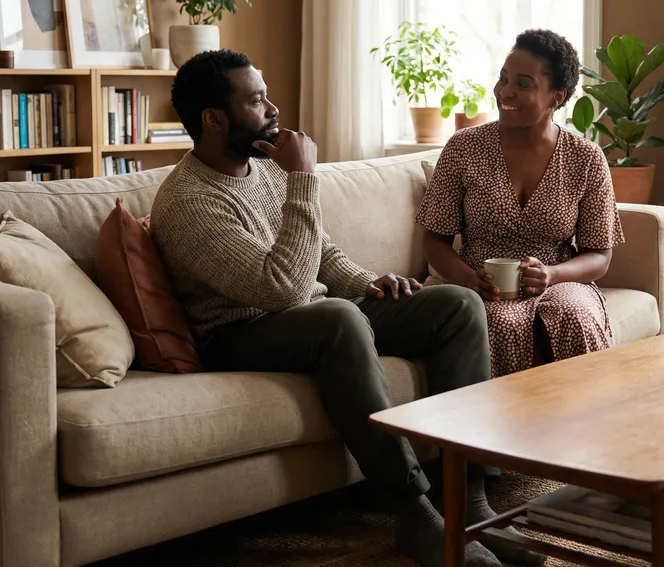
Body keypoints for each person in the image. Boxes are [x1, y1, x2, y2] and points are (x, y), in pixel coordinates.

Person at [149, 50, 545, 567]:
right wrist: (304, 179)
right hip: (238, 331)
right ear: (214, 119)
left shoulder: (261, 168)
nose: (272, 108)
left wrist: (368, 283)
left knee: (457, 304)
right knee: (338, 317)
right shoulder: (187, 201)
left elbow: (321, 251)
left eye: (266, 93)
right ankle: (411, 512)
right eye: (256, 99)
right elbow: (282, 288)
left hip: (308, 315)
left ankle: (468, 504)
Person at [416, 29, 625, 377]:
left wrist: (552, 275)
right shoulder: (463, 148)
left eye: (523, 84)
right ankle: (502, 429)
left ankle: (585, 424)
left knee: (573, 315)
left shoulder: (586, 158)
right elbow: (433, 240)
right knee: (500, 322)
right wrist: (469, 280)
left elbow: (599, 255)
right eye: (503, 79)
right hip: (480, 283)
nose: (504, 91)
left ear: (555, 97)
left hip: (559, 279)